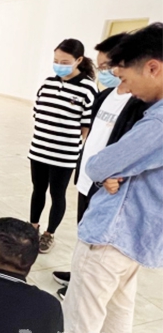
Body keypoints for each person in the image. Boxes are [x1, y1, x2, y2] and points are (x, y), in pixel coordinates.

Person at [61, 23, 163, 333]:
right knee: (120, 296)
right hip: (142, 231)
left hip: (114, 229)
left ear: (152, 67)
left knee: (82, 307)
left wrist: (108, 168)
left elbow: (100, 164)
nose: (126, 88)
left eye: (125, 77)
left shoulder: (158, 121)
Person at [52, 33, 149, 300]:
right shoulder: (104, 95)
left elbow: (132, 150)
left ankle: (81, 285)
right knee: (84, 231)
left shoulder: (137, 103)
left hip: (107, 184)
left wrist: (115, 174)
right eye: (101, 65)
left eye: (109, 66)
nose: (105, 71)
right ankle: (77, 274)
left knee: (97, 241)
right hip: (88, 177)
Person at [29, 39, 98, 253]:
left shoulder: (87, 88)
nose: (59, 65)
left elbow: (87, 126)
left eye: (65, 62)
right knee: (38, 190)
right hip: (39, 149)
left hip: (64, 154)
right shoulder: (48, 83)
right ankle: (33, 228)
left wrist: (75, 146)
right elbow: (38, 112)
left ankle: (49, 234)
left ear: (78, 60)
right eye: (56, 60)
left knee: (57, 194)